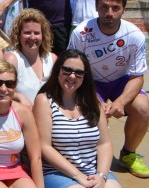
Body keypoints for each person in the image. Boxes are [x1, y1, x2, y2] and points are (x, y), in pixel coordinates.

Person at [68, 0, 149, 178]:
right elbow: (71, 69)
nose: (109, 13)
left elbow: (138, 76)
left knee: (143, 108)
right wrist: (94, 99)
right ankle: (93, 155)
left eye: (115, 8)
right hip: (90, 81)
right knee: (94, 112)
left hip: (121, 80)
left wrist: (120, 102)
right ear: (96, 7)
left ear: (123, 9)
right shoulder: (82, 32)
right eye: (104, 7)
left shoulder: (135, 35)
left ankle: (128, 154)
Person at [33, 49, 121, 187]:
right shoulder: (44, 101)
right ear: (58, 71)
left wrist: (102, 175)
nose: (72, 76)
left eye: (79, 72)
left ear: (85, 76)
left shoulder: (93, 102)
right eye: (67, 70)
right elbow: (45, 147)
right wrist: (78, 176)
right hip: (58, 173)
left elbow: (104, 143)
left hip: (94, 171)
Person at [3, 8, 57, 106]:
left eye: (36, 33)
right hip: (23, 116)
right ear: (18, 35)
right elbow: (2, 90)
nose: (32, 37)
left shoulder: (52, 59)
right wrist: (19, 97)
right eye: (27, 33)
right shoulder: (12, 59)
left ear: (43, 35)